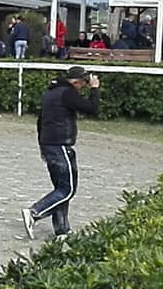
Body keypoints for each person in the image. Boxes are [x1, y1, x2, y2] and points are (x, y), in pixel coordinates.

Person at [21, 66, 100, 240]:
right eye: (83, 84)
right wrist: (95, 89)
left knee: (60, 188)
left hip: (49, 144)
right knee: (68, 189)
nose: (82, 88)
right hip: (60, 145)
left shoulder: (51, 93)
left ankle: (62, 230)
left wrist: (42, 145)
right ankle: (35, 212)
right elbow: (92, 108)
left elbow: (41, 121)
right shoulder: (67, 93)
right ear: (75, 81)